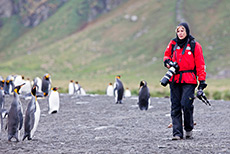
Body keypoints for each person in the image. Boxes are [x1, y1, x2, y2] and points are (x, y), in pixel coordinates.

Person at [163, 22, 207, 140]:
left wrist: (201, 81)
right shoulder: (173, 44)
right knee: (175, 106)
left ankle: (188, 128)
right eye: (178, 31)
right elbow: (166, 56)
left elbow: (200, 64)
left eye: (182, 30)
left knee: (186, 104)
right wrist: (168, 63)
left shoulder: (194, 45)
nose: (180, 33)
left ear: (187, 31)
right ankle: (177, 133)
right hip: (175, 79)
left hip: (189, 79)